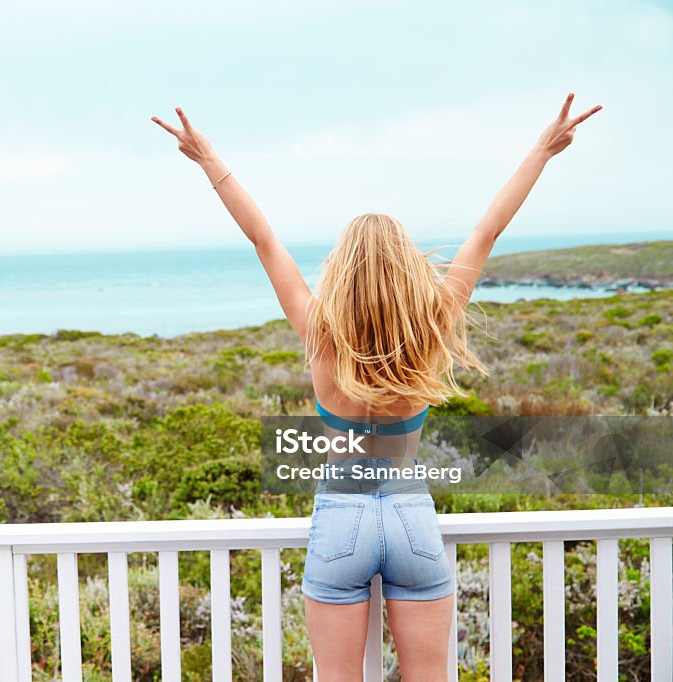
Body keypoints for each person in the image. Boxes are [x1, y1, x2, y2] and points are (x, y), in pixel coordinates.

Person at [152, 94, 602, 681]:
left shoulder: (319, 331)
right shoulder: (432, 321)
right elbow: (488, 229)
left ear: (341, 267)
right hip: (413, 516)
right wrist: (541, 152)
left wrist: (209, 159)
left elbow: (264, 239)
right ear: (407, 267)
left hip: (340, 517)